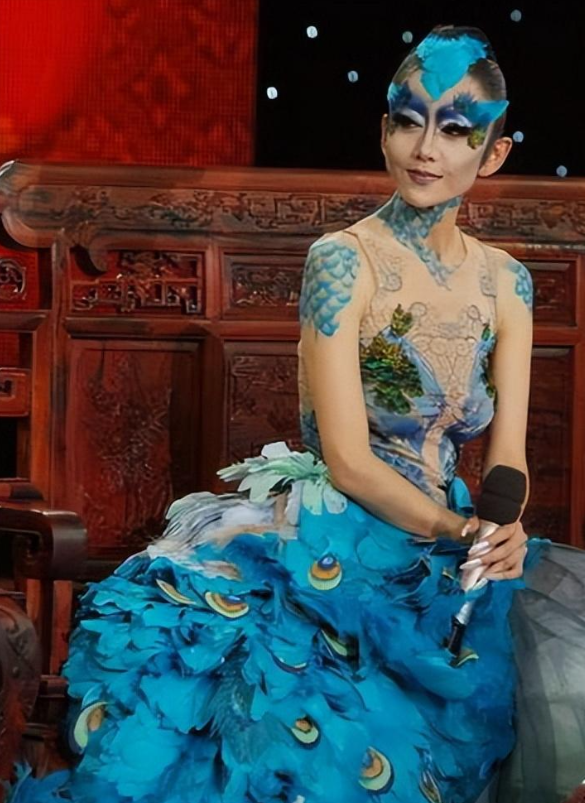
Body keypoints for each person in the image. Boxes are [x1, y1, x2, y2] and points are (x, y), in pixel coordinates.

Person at [6, 24, 585, 803]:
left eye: (455, 131)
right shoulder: (342, 260)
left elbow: (506, 452)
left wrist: (501, 527)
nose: (425, 149)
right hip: (337, 529)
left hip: (451, 538)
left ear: (493, 153)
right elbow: (346, 458)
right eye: (407, 121)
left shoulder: (505, 281)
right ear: (383, 129)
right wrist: (458, 530)